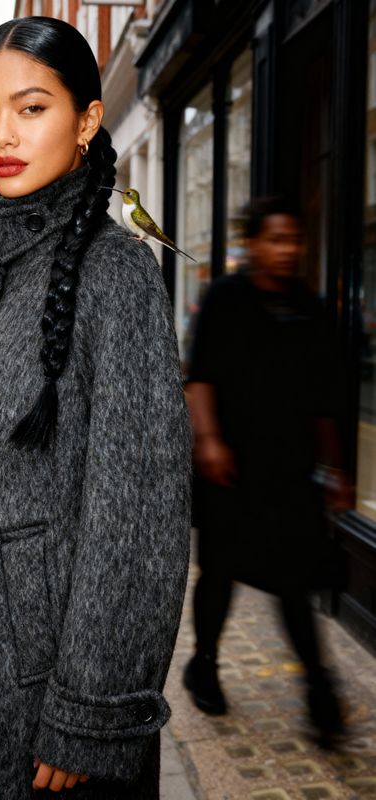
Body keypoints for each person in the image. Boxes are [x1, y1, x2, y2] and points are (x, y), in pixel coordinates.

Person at [0, 17, 191, 800]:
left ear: (88, 120)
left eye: (31, 108)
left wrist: (92, 710)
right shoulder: (3, 276)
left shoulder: (116, 278)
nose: (1, 136)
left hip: (42, 694)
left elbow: (138, 518)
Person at [183, 197, 352, 747]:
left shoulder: (309, 307)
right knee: (221, 570)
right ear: (253, 244)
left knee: (293, 580)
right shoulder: (225, 299)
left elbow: (325, 398)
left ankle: (319, 694)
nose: (287, 251)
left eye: (294, 241)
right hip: (229, 464)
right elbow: (200, 376)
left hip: (290, 470)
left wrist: (334, 468)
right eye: (276, 240)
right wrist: (207, 441)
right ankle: (204, 663)